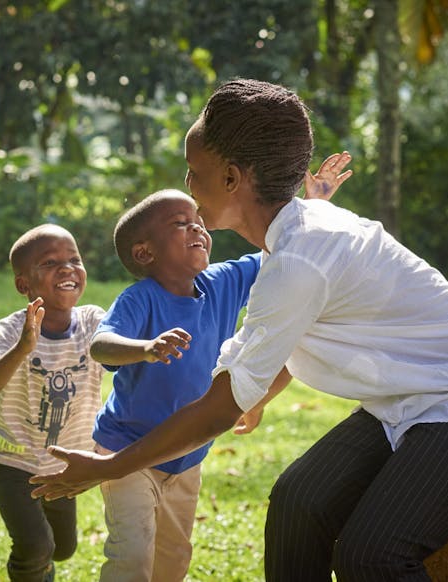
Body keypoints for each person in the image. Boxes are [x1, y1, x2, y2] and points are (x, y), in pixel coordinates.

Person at [30, 79, 448, 582]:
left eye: (194, 172)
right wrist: (259, 389)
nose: (189, 188)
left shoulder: (299, 260)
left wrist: (108, 467)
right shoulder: (292, 241)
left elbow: (218, 407)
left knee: (372, 557)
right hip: (409, 403)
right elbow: (287, 335)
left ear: (232, 179)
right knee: (297, 501)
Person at [89, 157, 348, 582]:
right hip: (127, 451)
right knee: (131, 556)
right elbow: (102, 346)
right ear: (145, 252)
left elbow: (279, 249)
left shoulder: (223, 281)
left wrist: (311, 204)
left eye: (197, 220)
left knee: (172, 560)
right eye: (179, 223)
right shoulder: (140, 299)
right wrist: (145, 348)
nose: (198, 228)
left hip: (188, 457)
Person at [0, 224, 106, 582]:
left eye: (74, 259)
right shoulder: (13, 328)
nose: (67, 268)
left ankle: (40, 562)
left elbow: (118, 349)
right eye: (50, 263)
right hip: (10, 460)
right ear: (24, 285)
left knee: (62, 547)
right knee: (36, 547)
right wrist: (23, 347)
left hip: (64, 464)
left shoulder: (94, 321)